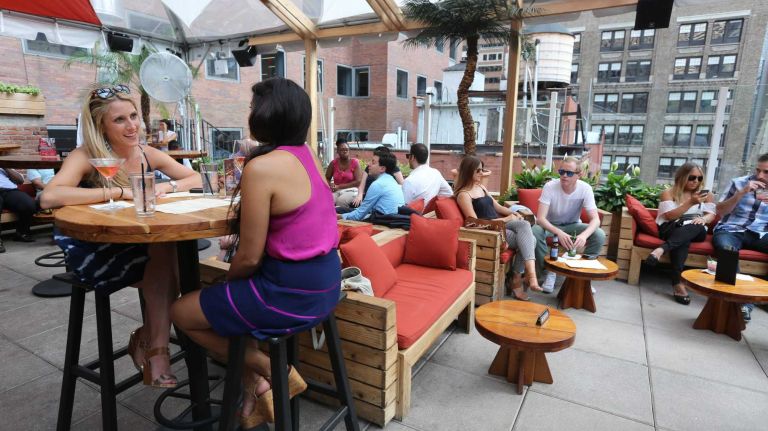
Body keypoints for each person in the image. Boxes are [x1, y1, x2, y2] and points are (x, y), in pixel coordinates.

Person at [171, 78, 340, 428]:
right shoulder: (309, 154)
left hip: (288, 295)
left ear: (266, 113)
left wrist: (226, 280)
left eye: (252, 107)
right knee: (233, 304)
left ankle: (270, 371)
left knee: (182, 312)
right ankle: (256, 384)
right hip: (326, 287)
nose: (250, 114)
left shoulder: (262, 167)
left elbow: (247, 258)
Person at [40, 83, 201, 388]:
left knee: (168, 252)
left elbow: (193, 177)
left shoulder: (146, 152)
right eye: (119, 120)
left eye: (134, 116)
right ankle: (157, 349)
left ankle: (150, 340)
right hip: (93, 248)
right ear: (101, 125)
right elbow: (49, 197)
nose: (132, 126)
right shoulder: (87, 155)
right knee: (166, 258)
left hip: (138, 241)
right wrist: (117, 191)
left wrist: (166, 186)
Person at [454, 156, 541, 300]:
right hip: (491, 231)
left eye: (482, 170)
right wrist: (506, 219)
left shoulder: (481, 187)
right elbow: (474, 222)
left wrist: (515, 213)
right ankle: (519, 278)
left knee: (524, 225)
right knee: (530, 239)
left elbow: (498, 207)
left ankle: (528, 277)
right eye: (478, 171)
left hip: (501, 224)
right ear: (469, 172)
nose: (482, 173)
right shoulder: (464, 195)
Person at [645, 162, 715, 305]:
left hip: (695, 229)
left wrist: (703, 218)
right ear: (682, 176)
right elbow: (669, 216)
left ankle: (660, 250)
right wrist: (690, 203)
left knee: (695, 225)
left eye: (700, 178)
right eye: (692, 177)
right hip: (671, 227)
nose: (696, 181)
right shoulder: (669, 193)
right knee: (683, 239)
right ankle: (677, 283)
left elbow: (711, 215)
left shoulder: (706, 195)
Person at [533, 156, 606, 293]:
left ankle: (584, 277)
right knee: (535, 231)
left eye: (569, 173)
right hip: (550, 225)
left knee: (599, 234)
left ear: (579, 175)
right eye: (561, 172)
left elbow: (595, 220)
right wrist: (559, 233)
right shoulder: (550, 187)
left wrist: (583, 236)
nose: (564, 176)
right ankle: (549, 271)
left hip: (573, 225)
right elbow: (541, 219)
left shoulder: (585, 189)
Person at [713, 153, 768, 322]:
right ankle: (743, 303)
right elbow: (720, 210)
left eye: (766, 172)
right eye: (758, 170)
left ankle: (762, 298)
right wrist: (740, 194)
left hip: (761, 233)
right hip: (732, 229)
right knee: (726, 250)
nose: (760, 176)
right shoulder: (738, 183)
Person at [339, 152, 404, 221]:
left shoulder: (378, 184)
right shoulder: (391, 180)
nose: (368, 164)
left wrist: (338, 217)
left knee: (338, 212)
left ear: (382, 168)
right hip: (390, 219)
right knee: (340, 210)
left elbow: (358, 216)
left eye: (373, 162)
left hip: (382, 222)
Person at [0, 168, 36, 253]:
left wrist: (5, 167)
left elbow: (20, 180)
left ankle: (21, 233)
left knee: (29, 204)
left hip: (9, 191)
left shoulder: (3, 165)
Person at [325, 139, 362, 210]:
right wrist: (330, 185)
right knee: (328, 200)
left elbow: (358, 182)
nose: (345, 151)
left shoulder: (355, 163)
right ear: (337, 151)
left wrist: (339, 186)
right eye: (342, 150)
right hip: (336, 190)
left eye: (346, 150)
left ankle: (341, 219)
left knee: (341, 201)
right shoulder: (333, 163)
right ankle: (328, 219)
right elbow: (327, 177)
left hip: (351, 190)